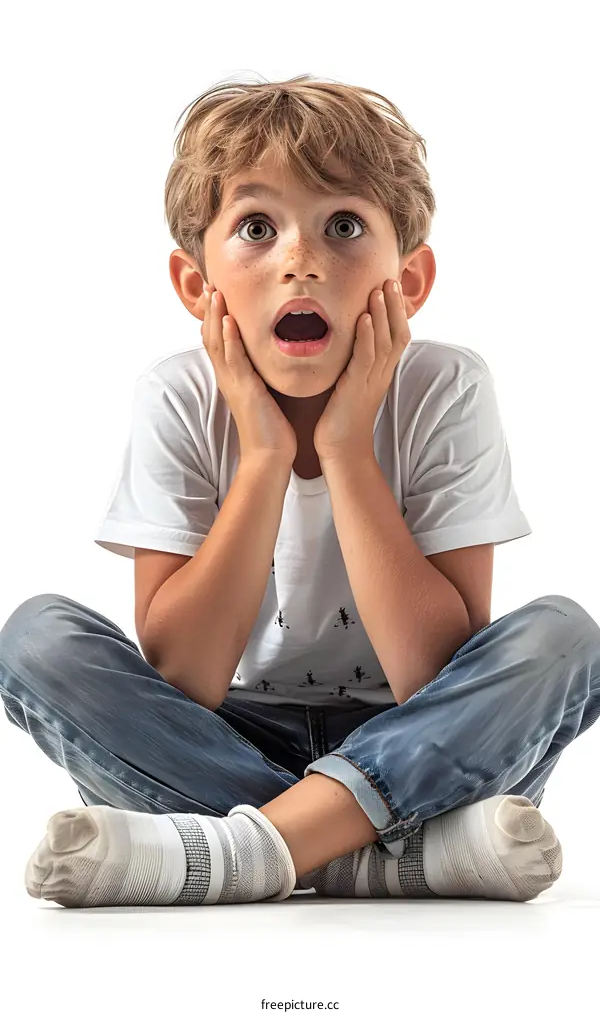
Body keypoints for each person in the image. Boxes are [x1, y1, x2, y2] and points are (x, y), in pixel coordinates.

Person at [1, 74, 599, 910]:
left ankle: (245, 849)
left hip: (417, 732)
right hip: (220, 735)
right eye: (256, 227)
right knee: (34, 639)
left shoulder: (446, 388)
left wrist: (349, 451)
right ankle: (379, 852)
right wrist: (264, 457)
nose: (302, 260)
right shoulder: (177, 397)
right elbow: (185, 677)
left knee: (564, 638)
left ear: (410, 280)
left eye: (344, 225)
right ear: (196, 285)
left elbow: (434, 673)